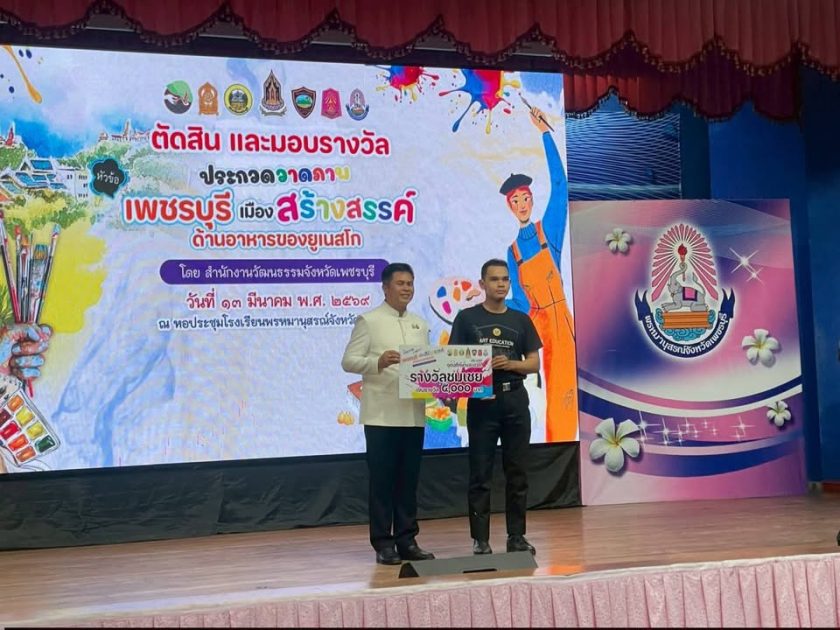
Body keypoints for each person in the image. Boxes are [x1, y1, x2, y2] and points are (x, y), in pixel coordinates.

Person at [341, 262, 436, 565]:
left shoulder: (420, 324)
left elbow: (427, 367)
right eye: (400, 283)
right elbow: (348, 361)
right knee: (382, 483)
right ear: (385, 288)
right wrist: (377, 363)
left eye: (410, 283)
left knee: (408, 482)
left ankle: (407, 540)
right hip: (381, 416)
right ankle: (383, 543)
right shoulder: (368, 321)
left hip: (413, 415)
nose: (406, 288)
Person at [448, 259, 541, 555]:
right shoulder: (466, 318)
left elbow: (534, 364)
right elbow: (452, 363)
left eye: (504, 279)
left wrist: (510, 364)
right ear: (482, 284)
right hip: (482, 404)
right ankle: (480, 539)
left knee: (517, 472)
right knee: (480, 474)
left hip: (515, 400)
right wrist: (474, 381)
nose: (500, 284)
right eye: (494, 279)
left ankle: (517, 536)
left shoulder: (521, 320)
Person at [502, 105, 578, 442]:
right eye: (515, 200)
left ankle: (565, 452)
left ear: (531, 200)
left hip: (561, 325)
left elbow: (561, 187)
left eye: (525, 198)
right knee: (539, 399)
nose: (522, 204)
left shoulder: (548, 232)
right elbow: (520, 303)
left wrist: (545, 132)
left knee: (565, 399)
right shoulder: (513, 252)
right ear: (509, 206)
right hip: (537, 329)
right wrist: (487, 301)